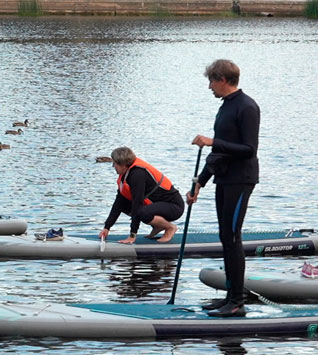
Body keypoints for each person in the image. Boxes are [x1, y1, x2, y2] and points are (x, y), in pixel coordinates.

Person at [187, 59, 260, 318]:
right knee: (224, 237)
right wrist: (200, 182)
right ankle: (229, 297)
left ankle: (238, 302)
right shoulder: (225, 107)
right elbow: (219, 151)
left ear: (224, 80)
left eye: (211, 81)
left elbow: (249, 150)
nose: (209, 87)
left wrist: (213, 140)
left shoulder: (247, 107)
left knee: (232, 236)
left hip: (241, 180)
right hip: (224, 179)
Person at [99, 147, 184, 244]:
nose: (113, 166)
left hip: (174, 207)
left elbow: (137, 204)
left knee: (141, 212)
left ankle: (170, 228)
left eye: (114, 164)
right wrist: (107, 227)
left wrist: (132, 236)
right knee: (123, 205)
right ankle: (158, 226)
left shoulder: (137, 175)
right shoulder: (125, 175)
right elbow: (118, 203)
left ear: (123, 165)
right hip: (157, 205)